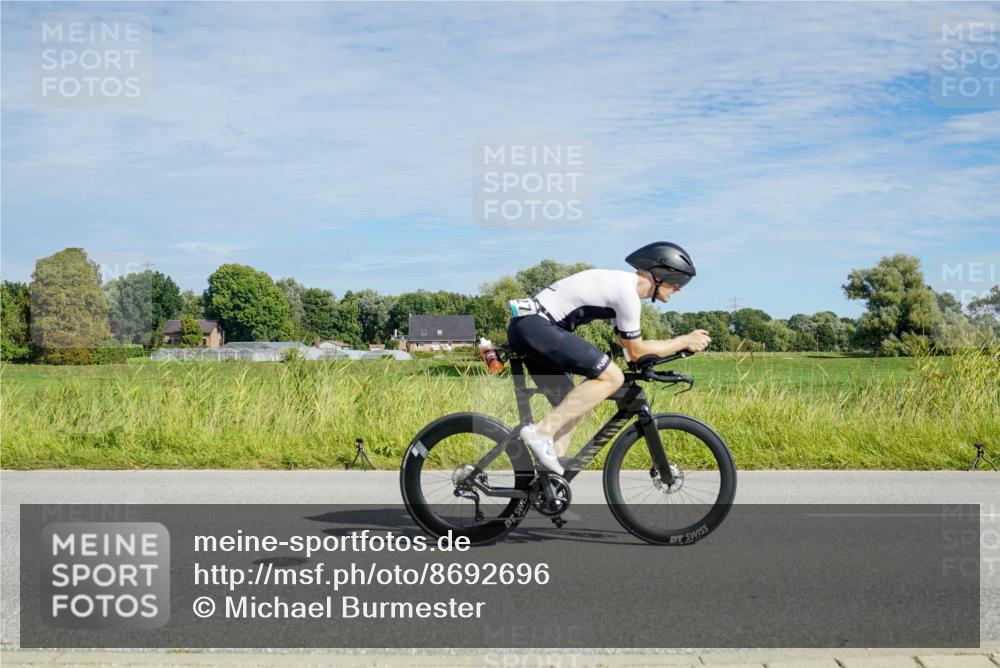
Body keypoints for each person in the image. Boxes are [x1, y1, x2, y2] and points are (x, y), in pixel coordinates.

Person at [507, 241, 711, 475]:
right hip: (537, 327)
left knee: (570, 406)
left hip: (530, 327)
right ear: (659, 275)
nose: (679, 288)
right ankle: (541, 432)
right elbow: (637, 351)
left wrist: (666, 354)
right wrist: (683, 341)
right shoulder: (627, 293)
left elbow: (631, 353)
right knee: (612, 377)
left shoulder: (621, 288)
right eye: (679, 280)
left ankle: (548, 483)